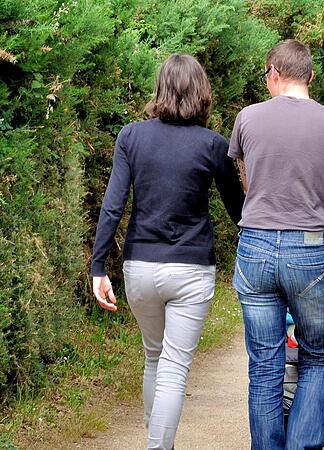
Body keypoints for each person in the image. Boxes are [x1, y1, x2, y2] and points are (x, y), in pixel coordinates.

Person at [90, 53, 245, 450]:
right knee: (173, 369)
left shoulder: (131, 136)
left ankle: (159, 442)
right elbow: (240, 213)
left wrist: (98, 267)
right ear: (202, 92)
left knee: (154, 358)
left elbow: (113, 205)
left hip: (140, 267)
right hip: (191, 270)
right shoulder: (213, 145)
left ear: (160, 88)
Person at [228, 39, 324, 450]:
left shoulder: (246, 119)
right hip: (310, 249)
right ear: (311, 76)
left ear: (272, 72)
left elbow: (250, 185)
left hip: (254, 246)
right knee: (318, 357)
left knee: (265, 365)